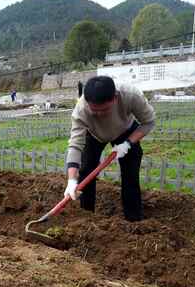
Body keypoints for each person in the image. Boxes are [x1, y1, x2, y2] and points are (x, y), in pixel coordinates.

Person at [64, 76, 155, 222]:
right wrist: (71, 180)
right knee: (86, 170)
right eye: (95, 111)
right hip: (94, 134)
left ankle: (133, 219)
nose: (100, 114)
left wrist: (128, 143)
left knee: (130, 174)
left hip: (125, 131)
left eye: (104, 110)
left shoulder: (130, 96)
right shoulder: (81, 110)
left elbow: (148, 122)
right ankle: (86, 218)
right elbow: (75, 145)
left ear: (115, 98)